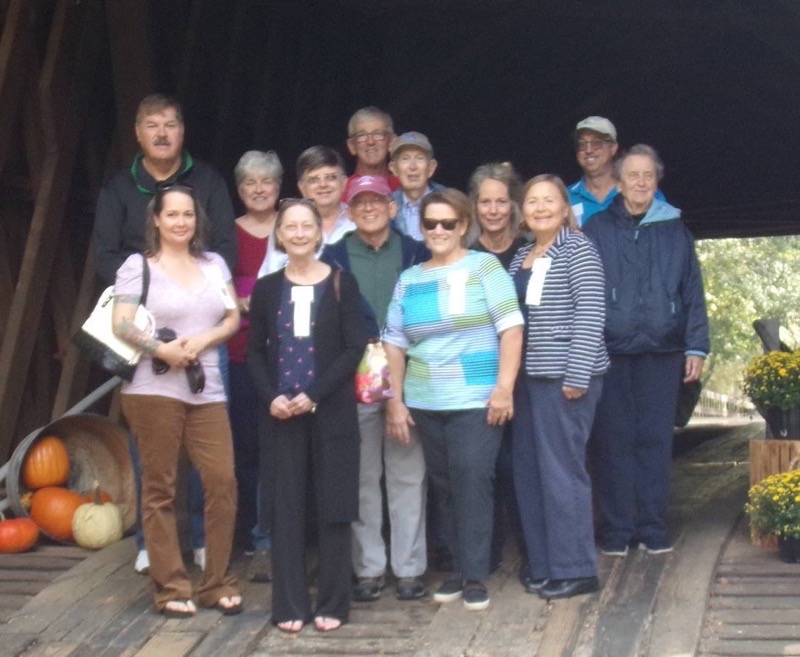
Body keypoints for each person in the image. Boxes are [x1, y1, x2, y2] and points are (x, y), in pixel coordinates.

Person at [93, 93, 236, 574]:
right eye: (151, 125)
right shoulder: (118, 189)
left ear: (182, 131)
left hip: (201, 335)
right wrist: (150, 286)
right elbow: (105, 256)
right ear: (137, 133)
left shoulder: (209, 181)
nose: (161, 133)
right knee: (151, 448)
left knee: (208, 454)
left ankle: (197, 536)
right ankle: (147, 544)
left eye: (170, 124)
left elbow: (224, 250)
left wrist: (191, 287)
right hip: (145, 328)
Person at [383, 188, 523, 612]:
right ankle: (458, 568)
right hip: (426, 398)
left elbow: (512, 328)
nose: (439, 230)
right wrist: (396, 400)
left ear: (464, 226)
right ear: (422, 229)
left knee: (472, 478)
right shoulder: (410, 278)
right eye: (431, 224)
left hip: (477, 399)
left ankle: (476, 574)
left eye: (449, 223)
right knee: (443, 485)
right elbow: (393, 342)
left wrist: (504, 388)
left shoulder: (485, 267)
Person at [112, 184, 241, 617]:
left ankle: (216, 582)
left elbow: (232, 317)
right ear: (156, 220)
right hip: (153, 388)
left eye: (188, 215)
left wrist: (205, 337)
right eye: (173, 215)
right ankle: (171, 588)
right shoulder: (138, 266)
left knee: (221, 481)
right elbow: (122, 323)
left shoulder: (214, 264)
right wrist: (160, 349)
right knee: (160, 488)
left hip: (206, 389)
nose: (181, 222)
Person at [583, 145, 709, 556]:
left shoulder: (675, 230)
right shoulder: (597, 229)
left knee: (654, 441)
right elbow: (582, 293)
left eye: (648, 176)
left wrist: (696, 346)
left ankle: (653, 527)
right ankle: (618, 530)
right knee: (612, 440)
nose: (640, 183)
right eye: (632, 176)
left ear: (657, 182)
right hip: (611, 350)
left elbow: (693, 292)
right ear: (618, 182)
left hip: (663, 350)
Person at [247, 199, 367, 633]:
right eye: (289, 227)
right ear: (279, 236)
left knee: (334, 506)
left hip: (329, 410)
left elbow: (355, 347)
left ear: (320, 234)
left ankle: (334, 602)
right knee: (286, 508)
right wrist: (270, 397)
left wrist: (314, 394)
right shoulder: (266, 289)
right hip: (280, 413)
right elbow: (255, 351)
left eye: (306, 227)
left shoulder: (341, 284)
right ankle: (289, 604)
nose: (298, 234)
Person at [321, 175, 429, 603]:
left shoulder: (418, 251)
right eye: (359, 202)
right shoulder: (331, 257)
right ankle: (368, 569)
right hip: (354, 375)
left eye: (377, 201)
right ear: (348, 211)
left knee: (407, 473)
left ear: (391, 207)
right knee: (363, 476)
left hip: (411, 373)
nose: (369, 208)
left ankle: (410, 569)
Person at [508, 174, 609, 600]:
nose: (541, 208)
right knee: (530, 472)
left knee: (563, 471)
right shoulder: (521, 258)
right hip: (526, 379)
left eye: (550, 200)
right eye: (532, 201)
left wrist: (577, 374)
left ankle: (578, 568)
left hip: (565, 379)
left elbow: (591, 312)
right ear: (523, 211)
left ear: (565, 209)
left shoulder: (578, 248)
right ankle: (545, 563)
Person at [468, 161, 528, 578]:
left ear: (514, 205)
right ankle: (482, 554)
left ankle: (530, 552)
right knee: (481, 466)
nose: (493, 210)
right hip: (476, 372)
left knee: (519, 465)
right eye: (485, 202)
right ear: (474, 207)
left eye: (500, 201)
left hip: (525, 372)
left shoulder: (530, 249)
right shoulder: (463, 254)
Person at [228, 150, 282, 580]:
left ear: (279, 187)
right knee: (242, 448)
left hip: (283, 356)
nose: (259, 189)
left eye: (267, 182)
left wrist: (253, 302)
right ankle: (245, 530)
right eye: (250, 183)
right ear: (240, 189)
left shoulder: (294, 228)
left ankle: (272, 534)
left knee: (275, 451)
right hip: (237, 354)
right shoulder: (227, 235)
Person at [258, 146, 355, 276]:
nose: (323, 184)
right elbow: (268, 278)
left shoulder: (358, 222)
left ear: (344, 183)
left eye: (330, 177)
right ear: (302, 187)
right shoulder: (285, 226)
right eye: (314, 179)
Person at [568, 116, 665, 226]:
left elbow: (665, 233)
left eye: (596, 143)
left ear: (613, 148)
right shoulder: (566, 197)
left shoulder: (642, 191)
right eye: (582, 144)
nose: (589, 150)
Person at [388, 131, 444, 241]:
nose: (412, 166)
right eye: (405, 158)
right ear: (394, 169)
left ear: (431, 168)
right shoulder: (386, 207)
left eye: (420, 158)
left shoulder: (450, 202)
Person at [344, 106, 399, 198]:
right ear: (351, 146)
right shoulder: (342, 190)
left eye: (378, 134)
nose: (370, 142)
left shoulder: (404, 187)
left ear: (392, 142)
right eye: (361, 135)